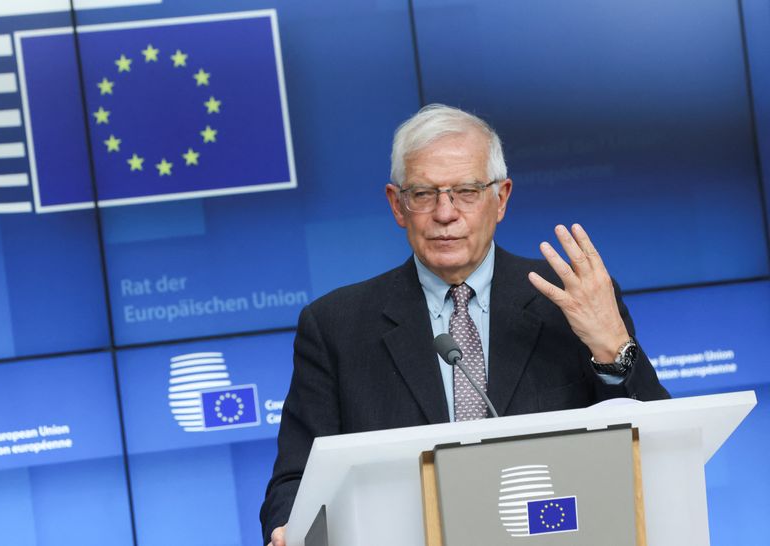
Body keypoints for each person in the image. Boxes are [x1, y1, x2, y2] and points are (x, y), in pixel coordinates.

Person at [260, 104, 669, 545]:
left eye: (467, 191)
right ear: (397, 205)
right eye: (423, 194)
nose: (445, 213)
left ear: (501, 198)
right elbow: (294, 481)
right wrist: (289, 529)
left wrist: (613, 350)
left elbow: (660, 450)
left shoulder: (569, 300)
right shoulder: (336, 326)